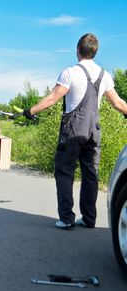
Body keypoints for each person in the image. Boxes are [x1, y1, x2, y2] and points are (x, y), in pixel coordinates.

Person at [23, 33, 127, 229]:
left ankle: (66, 218)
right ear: (95, 52)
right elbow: (118, 103)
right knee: (90, 175)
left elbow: (52, 98)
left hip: (72, 130)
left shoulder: (70, 72)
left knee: (64, 172)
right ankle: (88, 219)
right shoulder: (105, 76)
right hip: (93, 131)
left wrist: (31, 111)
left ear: (78, 50)